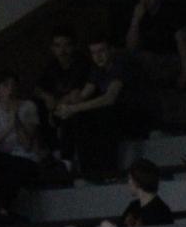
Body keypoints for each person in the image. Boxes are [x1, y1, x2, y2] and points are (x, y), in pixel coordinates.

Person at [53, 38, 130, 181]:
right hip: (111, 113)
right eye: (93, 53)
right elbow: (84, 94)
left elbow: (110, 98)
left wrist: (74, 108)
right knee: (75, 117)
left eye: (101, 51)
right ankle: (71, 162)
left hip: (132, 112)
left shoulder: (119, 65)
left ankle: (109, 170)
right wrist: (65, 105)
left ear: (110, 50)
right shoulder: (97, 69)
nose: (98, 56)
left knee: (100, 114)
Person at [0, 73, 45, 165]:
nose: (10, 88)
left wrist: (15, 117)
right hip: (4, 160)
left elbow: (27, 145)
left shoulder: (28, 106)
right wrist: (9, 126)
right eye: (6, 85)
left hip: (28, 157)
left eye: (13, 85)